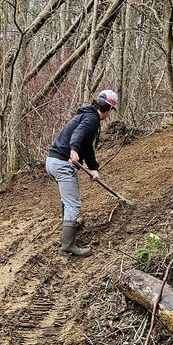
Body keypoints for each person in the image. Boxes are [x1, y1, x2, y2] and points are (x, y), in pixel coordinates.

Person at [45, 89, 118, 257]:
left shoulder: (87, 115)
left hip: (52, 161)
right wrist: (73, 149)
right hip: (62, 163)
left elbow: (86, 146)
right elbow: (78, 135)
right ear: (109, 109)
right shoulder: (92, 119)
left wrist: (94, 168)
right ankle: (68, 244)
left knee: (68, 198)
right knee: (73, 204)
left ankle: (71, 224)